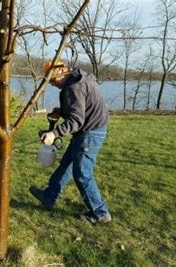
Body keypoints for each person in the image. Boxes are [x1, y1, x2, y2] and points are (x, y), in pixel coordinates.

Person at [29, 60, 112, 224]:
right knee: (66, 165)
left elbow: (76, 120)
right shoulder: (78, 77)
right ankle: (49, 196)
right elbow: (81, 107)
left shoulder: (74, 87)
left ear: (60, 72)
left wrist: (54, 133)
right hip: (89, 130)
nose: (52, 84)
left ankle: (100, 212)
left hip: (90, 133)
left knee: (82, 174)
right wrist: (63, 111)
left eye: (52, 80)